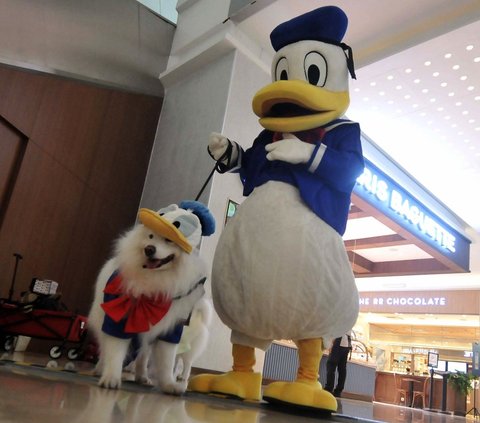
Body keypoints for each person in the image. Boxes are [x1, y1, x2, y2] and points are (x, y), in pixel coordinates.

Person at [325, 331, 352, 397]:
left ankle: (329, 389)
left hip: (339, 340)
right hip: (347, 342)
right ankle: (338, 391)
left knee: (331, 365)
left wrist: (331, 345)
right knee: (342, 368)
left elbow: (337, 329)